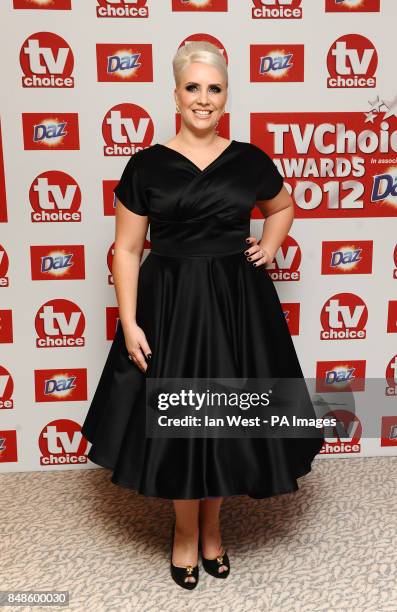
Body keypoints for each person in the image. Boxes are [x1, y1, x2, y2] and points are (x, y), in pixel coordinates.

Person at [81, 40, 324, 590]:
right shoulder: (145, 165)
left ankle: (214, 529)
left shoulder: (250, 160)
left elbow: (282, 205)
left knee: (224, 421)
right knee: (183, 424)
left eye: (214, 88)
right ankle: (185, 534)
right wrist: (129, 321)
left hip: (237, 305)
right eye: (193, 87)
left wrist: (270, 243)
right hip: (169, 305)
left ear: (226, 96)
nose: (203, 99)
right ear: (175, 94)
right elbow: (125, 250)